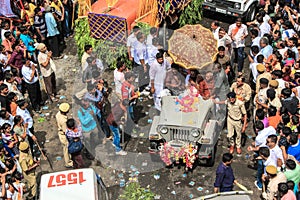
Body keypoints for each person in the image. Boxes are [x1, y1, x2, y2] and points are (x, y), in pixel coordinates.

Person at [55, 103, 73, 168]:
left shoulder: (58, 114)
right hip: (63, 135)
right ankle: (68, 162)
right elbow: (65, 131)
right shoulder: (64, 121)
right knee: (66, 149)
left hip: (60, 132)